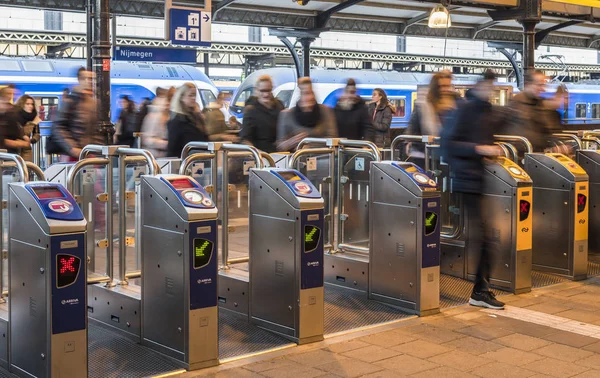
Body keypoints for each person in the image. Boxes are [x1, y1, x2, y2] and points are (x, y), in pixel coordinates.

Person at [440, 70, 505, 310]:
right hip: (466, 181)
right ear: (480, 86)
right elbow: (447, 145)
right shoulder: (465, 109)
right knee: (488, 239)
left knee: (487, 238)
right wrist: (479, 149)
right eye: (489, 86)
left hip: (480, 181)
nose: (492, 90)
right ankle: (480, 291)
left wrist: (491, 151)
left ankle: (480, 289)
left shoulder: (486, 111)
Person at [54, 67, 104, 161]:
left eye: (92, 79)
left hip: (89, 152)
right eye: (86, 78)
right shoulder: (71, 100)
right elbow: (59, 126)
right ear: (79, 80)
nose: (89, 82)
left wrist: (98, 148)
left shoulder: (94, 103)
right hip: (73, 155)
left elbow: (95, 129)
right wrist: (71, 148)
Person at [277, 77, 337, 152]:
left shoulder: (326, 111)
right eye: (305, 93)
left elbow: (332, 138)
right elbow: (280, 145)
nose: (309, 97)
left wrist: (309, 146)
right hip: (296, 159)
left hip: (323, 157)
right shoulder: (286, 115)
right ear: (300, 94)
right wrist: (293, 141)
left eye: (310, 93)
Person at [405, 71, 456, 158]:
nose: (445, 90)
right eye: (442, 86)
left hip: (448, 156)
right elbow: (412, 131)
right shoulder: (422, 106)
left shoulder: (456, 104)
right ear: (435, 88)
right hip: (424, 156)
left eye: (448, 86)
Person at [503, 70, 554, 153]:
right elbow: (519, 132)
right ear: (528, 85)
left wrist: (555, 144)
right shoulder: (518, 102)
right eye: (539, 85)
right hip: (522, 155)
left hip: (536, 153)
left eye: (544, 85)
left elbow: (547, 129)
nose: (543, 89)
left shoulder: (539, 103)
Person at [240, 75, 284, 153]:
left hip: (280, 153)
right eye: (262, 91)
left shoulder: (279, 107)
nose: (266, 94)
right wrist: (260, 155)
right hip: (260, 155)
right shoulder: (251, 111)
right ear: (256, 91)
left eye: (268, 90)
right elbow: (245, 140)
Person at [167, 83, 209, 157]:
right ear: (182, 97)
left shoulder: (197, 117)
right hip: (185, 161)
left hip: (199, 158)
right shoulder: (177, 121)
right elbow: (172, 148)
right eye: (190, 95)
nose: (193, 98)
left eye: (195, 95)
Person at [142, 87, 175, 158]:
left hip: (167, 157)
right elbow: (147, 140)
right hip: (155, 157)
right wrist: (166, 144)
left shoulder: (171, 116)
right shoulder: (153, 116)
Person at [0, 87, 27, 154]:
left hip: (12, 152)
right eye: (9, 94)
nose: (11, 96)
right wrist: (16, 143)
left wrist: (23, 137)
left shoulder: (13, 111)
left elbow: (17, 128)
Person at [14, 95, 41, 162]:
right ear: (22, 105)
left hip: (26, 149)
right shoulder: (14, 116)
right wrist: (23, 136)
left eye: (32, 104)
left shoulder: (35, 118)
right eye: (27, 104)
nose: (30, 106)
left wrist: (32, 140)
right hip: (14, 147)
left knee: (26, 169)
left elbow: (37, 134)